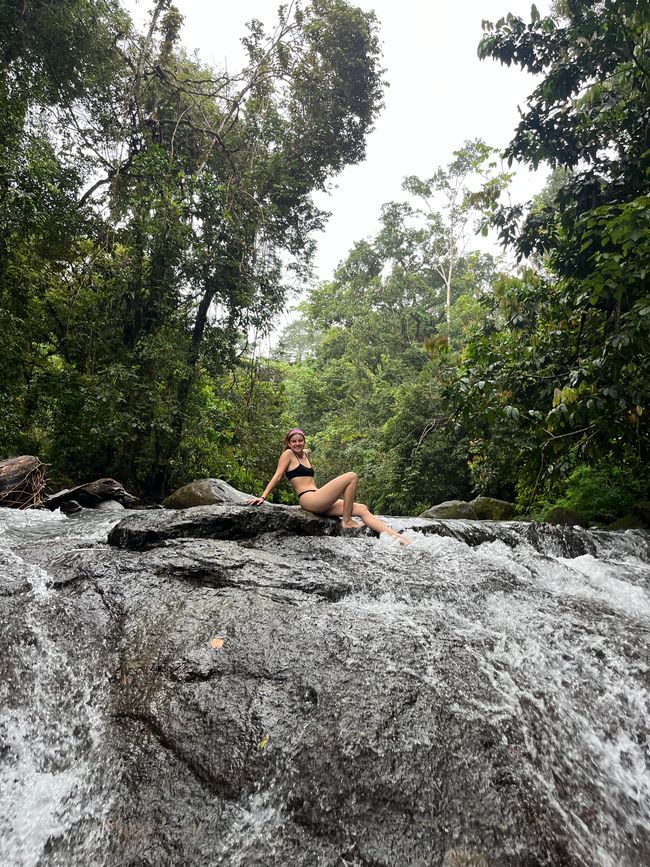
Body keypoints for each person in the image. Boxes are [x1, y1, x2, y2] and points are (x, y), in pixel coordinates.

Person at [247, 428, 410, 546]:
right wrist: (263, 497)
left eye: (300, 440)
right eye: (294, 441)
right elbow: (277, 476)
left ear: (304, 441)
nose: (297, 444)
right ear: (288, 443)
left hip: (319, 497)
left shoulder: (306, 453)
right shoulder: (287, 455)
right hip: (309, 499)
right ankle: (346, 522)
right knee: (351, 476)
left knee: (361, 508)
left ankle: (398, 539)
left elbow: (306, 453)